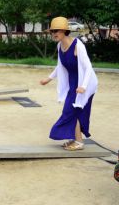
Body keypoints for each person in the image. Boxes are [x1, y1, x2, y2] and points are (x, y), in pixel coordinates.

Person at [40, 17, 98, 151]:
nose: (53, 33)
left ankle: (79, 142)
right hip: (73, 82)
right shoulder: (59, 45)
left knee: (71, 110)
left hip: (85, 82)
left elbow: (88, 67)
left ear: (64, 31)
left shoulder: (77, 45)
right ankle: (75, 139)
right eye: (52, 31)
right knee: (71, 110)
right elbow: (60, 66)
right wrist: (48, 79)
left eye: (56, 31)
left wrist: (83, 86)